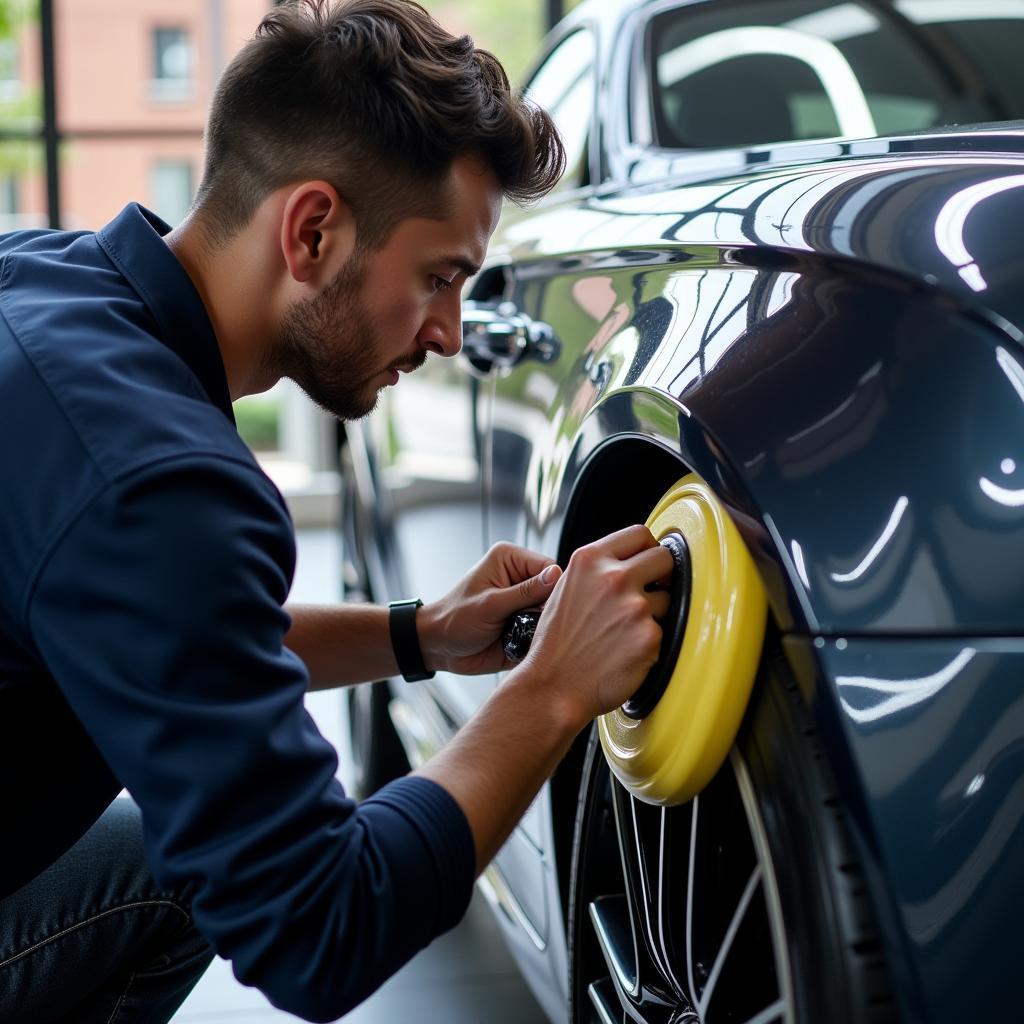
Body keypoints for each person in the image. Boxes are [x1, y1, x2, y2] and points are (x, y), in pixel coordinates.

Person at [0, 1, 673, 1021]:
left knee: (161, 854)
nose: (451, 332)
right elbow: (316, 925)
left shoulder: (45, 282)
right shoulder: (157, 482)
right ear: (313, 229)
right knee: (201, 877)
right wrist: (550, 694)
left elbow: (167, 636)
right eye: (438, 277)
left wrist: (423, 636)